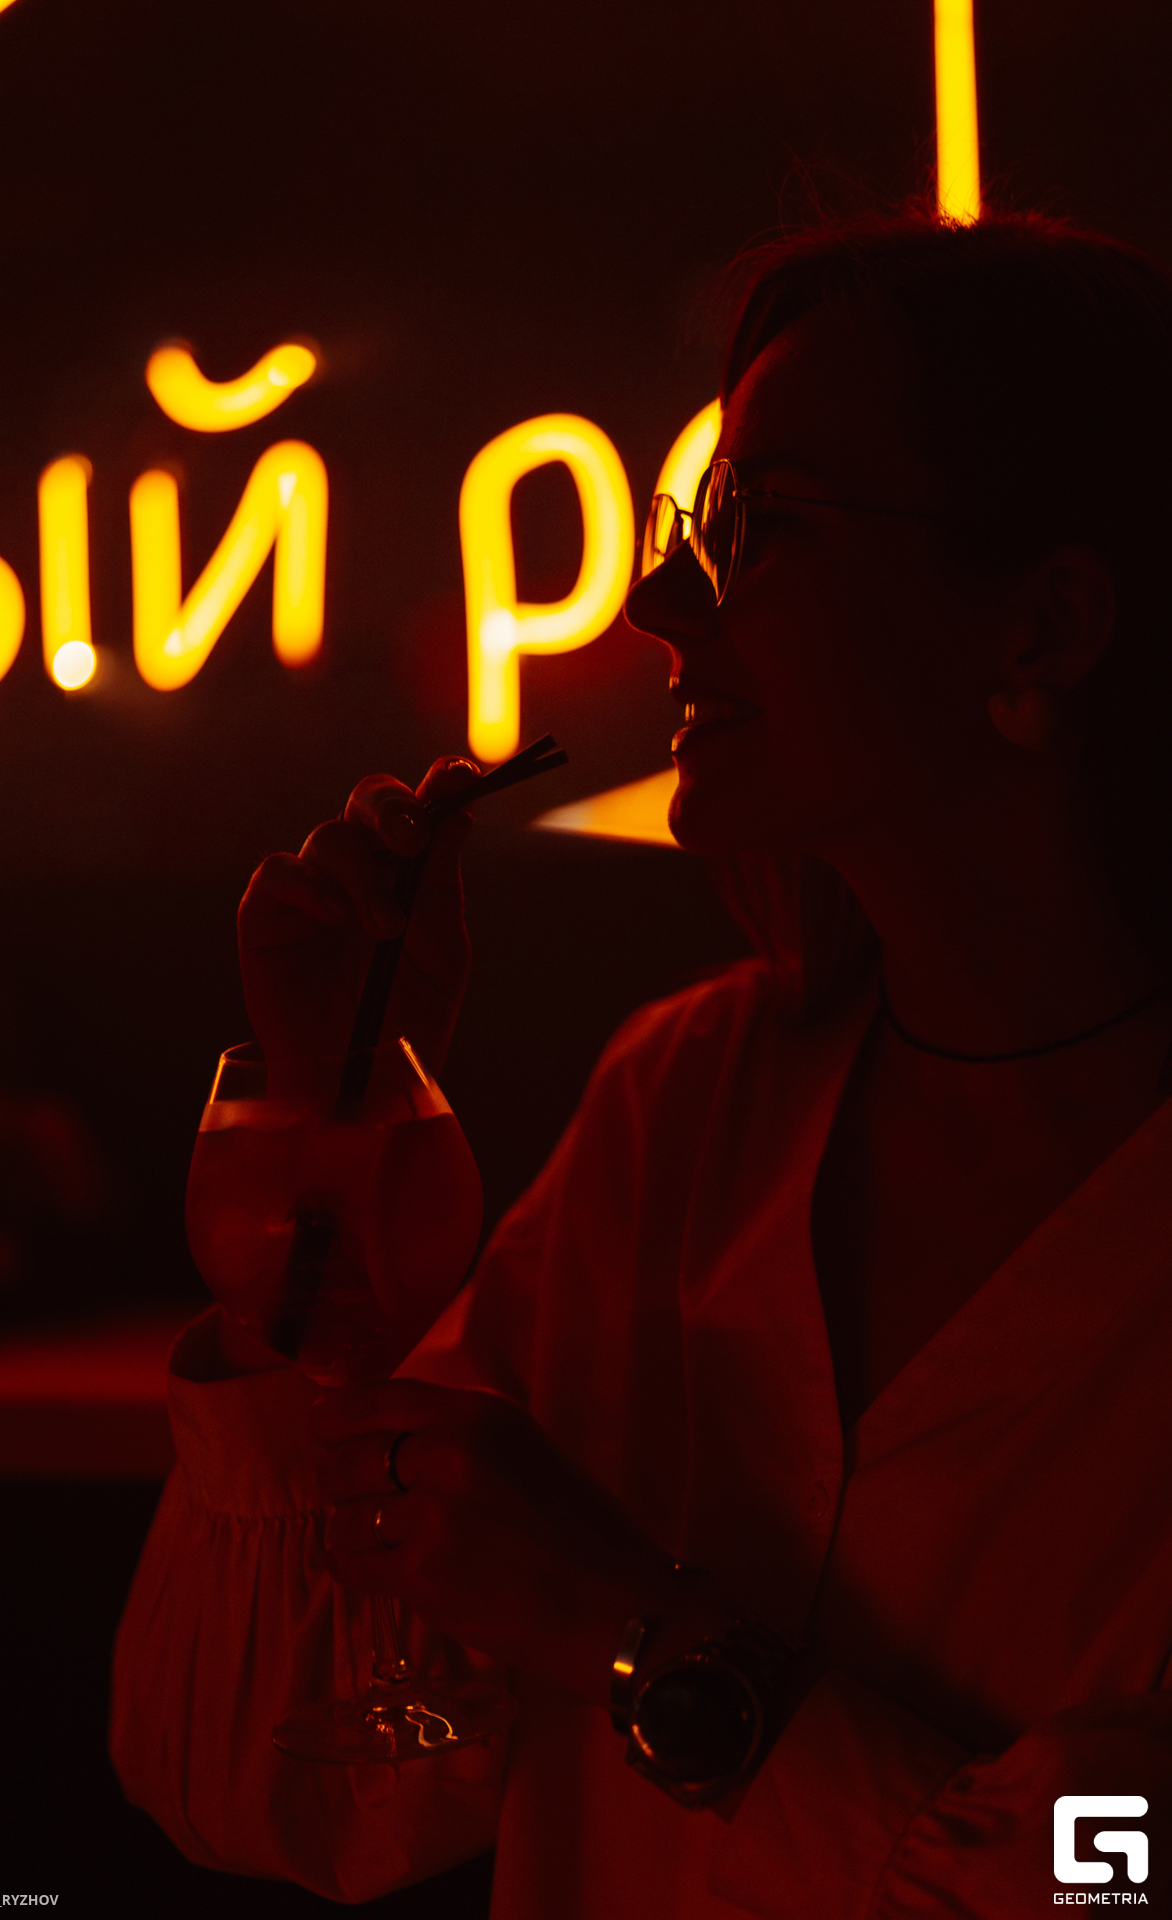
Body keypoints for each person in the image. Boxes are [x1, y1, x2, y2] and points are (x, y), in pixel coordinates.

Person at [111, 207, 1172, 1915]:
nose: (662, 600)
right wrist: (329, 1132)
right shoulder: (687, 1107)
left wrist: (639, 1638)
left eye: (765, 524)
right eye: (692, 522)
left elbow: (1114, 1882)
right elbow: (263, 1778)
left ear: (1038, 630)